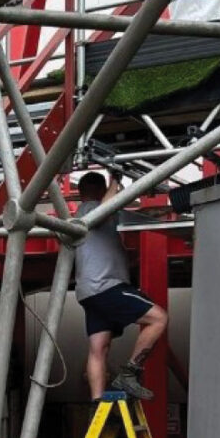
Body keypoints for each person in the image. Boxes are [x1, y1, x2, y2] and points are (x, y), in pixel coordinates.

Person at [74, 172, 169, 401]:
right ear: (100, 190)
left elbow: (135, 217)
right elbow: (106, 208)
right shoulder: (89, 209)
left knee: (99, 348)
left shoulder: (98, 218)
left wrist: (167, 213)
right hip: (105, 286)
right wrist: (116, 180)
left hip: (90, 292)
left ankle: (97, 402)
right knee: (158, 318)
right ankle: (130, 373)